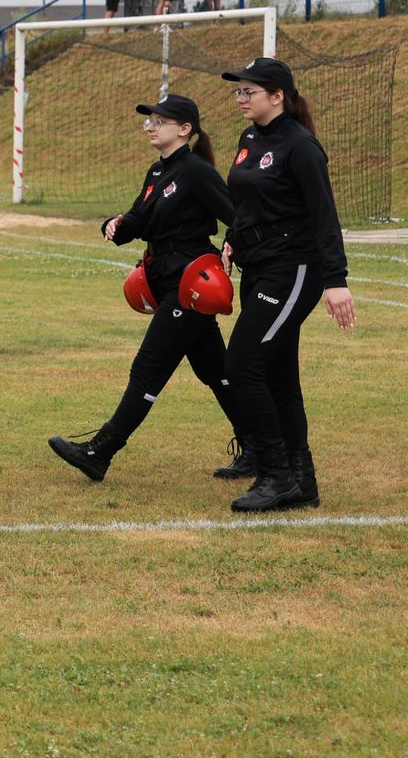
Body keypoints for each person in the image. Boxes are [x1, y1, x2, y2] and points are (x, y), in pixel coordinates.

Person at [48, 94, 239, 481]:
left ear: (185, 129)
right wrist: (113, 225)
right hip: (163, 275)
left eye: (160, 121)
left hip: (190, 281)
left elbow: (236, 214)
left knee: (148, 367)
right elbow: (138, 220)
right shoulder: (157, 172)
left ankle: (100, 450)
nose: (150, 126)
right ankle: (263, 446)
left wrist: (232, 244)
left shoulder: (197, 171)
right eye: (149, 121)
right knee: (216, 371)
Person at [217, 57, 356, 512]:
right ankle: (302, 479)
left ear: (277, 96)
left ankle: (277, 475)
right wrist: (233, 241)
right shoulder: (250, 138)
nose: (241, 98)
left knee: (242, 364)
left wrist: (336, 281)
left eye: (248, 92)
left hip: (295, 269)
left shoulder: (301, 146)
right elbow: (247, 203)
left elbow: (324, 215)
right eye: (238, 92)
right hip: (258, 265)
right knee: (277, 374)